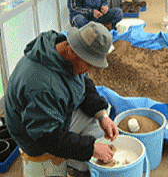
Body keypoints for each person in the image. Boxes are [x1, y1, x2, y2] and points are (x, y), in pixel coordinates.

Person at [5, 21, 119, 177]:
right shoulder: (41, 86)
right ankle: (77, 170)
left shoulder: (64, 53)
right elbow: (47, 137)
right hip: (34, 137)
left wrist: (102, 115)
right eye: (88, 63)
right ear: (71, 51)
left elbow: (84, 84)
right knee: (91, 142)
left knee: (99, 118)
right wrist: (90, 148)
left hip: (47, 116)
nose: (91, 69)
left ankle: (76, 163)